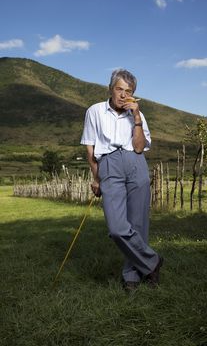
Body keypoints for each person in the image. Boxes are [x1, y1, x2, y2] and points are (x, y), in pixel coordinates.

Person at [80, 69, 163, 291]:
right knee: (117, 227)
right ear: (111, 88)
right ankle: (152, 261)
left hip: (135, 163)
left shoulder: (139, 115)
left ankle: (132, 276)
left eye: (129, 91)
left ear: (133, 94)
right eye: (120, 89)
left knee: (138, 223)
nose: (123, 95)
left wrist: (136, 117)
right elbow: (90, 146)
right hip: (108, 163)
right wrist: (96, 177)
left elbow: (139, 147)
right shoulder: (94, 111)